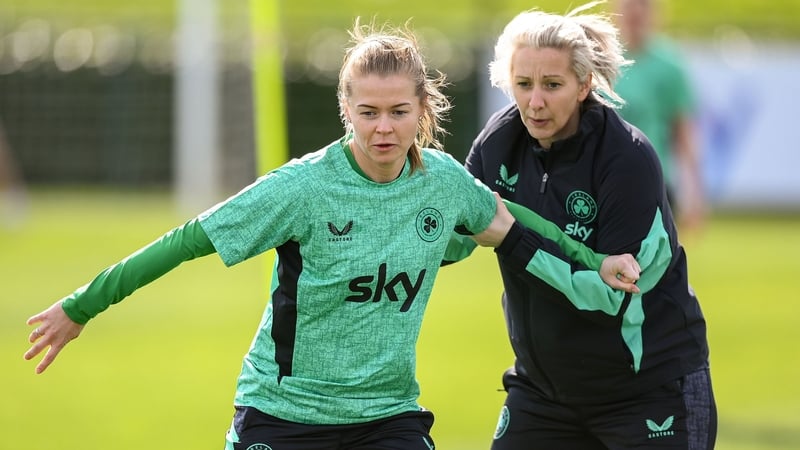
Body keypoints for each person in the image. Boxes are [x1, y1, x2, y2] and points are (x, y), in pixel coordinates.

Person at [24, 19, 639, 450]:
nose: (383, 129)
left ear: (424, 111)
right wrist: (82, 306)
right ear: (346, 109)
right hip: (282, 416)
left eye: (399, 112)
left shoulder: (445, 184)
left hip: (387, 418)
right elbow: (187, 240)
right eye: (367, 113)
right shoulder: (302, 189)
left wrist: (594, 259)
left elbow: (510, 222)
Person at [464, 2, 717, 449]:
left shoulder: (628, 160)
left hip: (645, 388)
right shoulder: (498, 142)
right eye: (522, 85)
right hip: (543, 393)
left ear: (584, 86)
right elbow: (453, 233)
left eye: (552, 85)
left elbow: (609, 294)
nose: (534, 101)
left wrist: (512, 238)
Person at [612, 0, 706, 233]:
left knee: (654, 265)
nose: (634, 10)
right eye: (628, 3)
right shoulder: (601, 60)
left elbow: (683, 131)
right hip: (604, 179)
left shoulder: (669, 65)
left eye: (642, 3)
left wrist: (695, 193)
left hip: (654, 180)